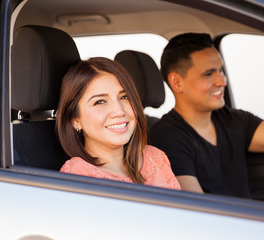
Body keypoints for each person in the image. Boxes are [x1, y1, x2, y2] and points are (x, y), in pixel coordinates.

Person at [149, 33, 264, 197]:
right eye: (208, 74)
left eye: (220, 70)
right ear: (177, 82)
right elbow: (196, 209)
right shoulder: (167, 138)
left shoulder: (232, 120)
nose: (222, 81)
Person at [56, 57, 180, 190]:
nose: (119, 111)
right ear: (75, 120)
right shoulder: (78, 176)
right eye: (100, 102)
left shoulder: (154, 158)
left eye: (124, 97)